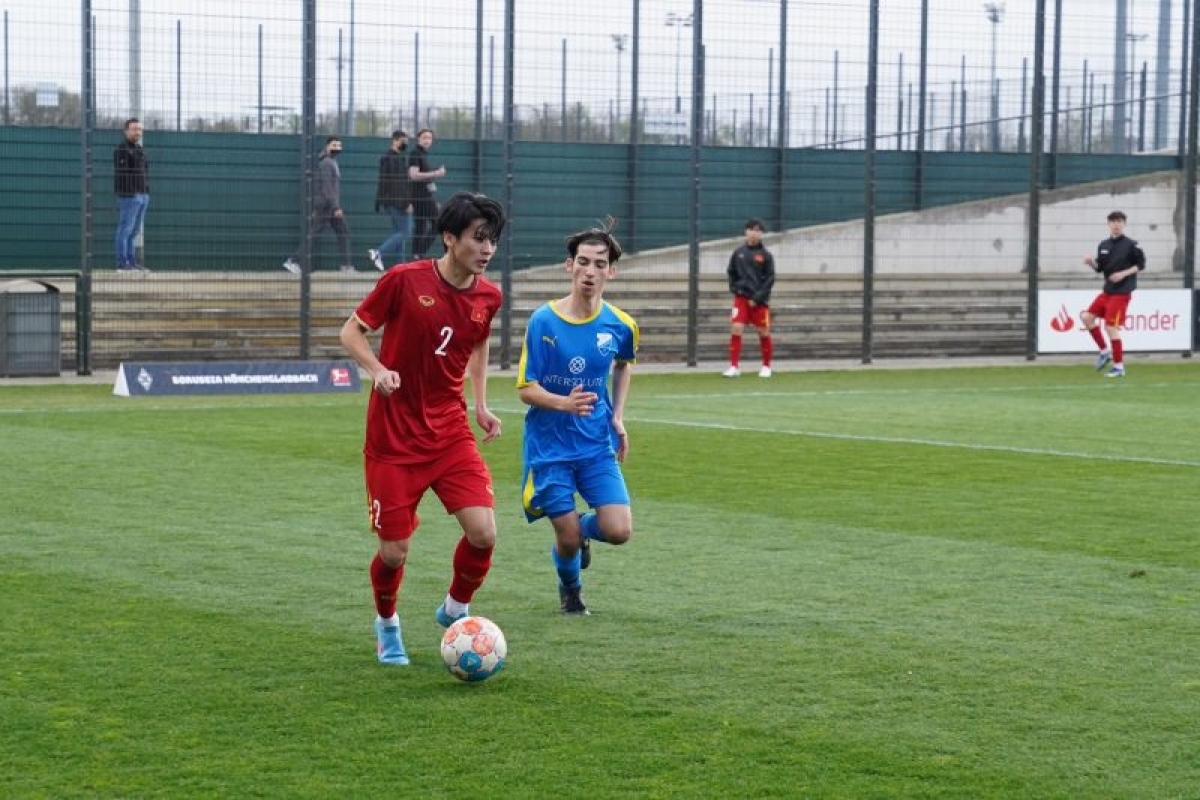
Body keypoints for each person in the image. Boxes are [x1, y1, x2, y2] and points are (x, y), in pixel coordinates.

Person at [339, 192, 506, 666]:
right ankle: (387, 624)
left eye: (492, 239)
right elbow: (350, 331)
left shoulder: (488, 295)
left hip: (449, 430)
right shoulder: (404, 280)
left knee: (484, 532)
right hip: (393, 437)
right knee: (394, 552)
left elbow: (477, 345)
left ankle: (455, 607)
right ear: (450, 238)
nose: (487, 248)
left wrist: (481, 404)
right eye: (478, 238)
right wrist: (377, 369)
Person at [517, 221, 639, 616]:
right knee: (565, 537)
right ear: (569, 266)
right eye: (583, 262)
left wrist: (617, 416)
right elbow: (525, 389)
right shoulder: (543, 322)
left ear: (611, 271)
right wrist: (562, 403)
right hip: (549, 446)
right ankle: (571, 590)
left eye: (599, 264)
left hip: (594, 444)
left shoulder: (621, 325)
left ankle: (582, 532)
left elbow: (623, 366)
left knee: (619, 531)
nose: (591, 271)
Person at [1081, 210, 1146, 379]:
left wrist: (1123, 274)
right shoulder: (1103, 245)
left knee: (1111, 327)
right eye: (1113, 221)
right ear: (1108, 224)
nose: (1116, 224)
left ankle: (1119, 367)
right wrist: (1091, 263)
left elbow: (1141, 265)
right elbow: (1100, 268)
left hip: (1122, 293)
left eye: (1119, 221)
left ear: (1124, 224)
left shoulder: (1132, 245)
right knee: (1087, 317)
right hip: (1108, 291)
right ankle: (1104, 351)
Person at [283, 136, 354, 274]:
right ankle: (293, 260)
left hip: (327, 205)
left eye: (339, 145)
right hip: (327, 206)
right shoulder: (327, 163)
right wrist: (336, 207)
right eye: (334, 145)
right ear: (327, 146)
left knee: (340, 232)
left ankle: (346, 265)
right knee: (317, 234)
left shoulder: (330, 162)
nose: (337, 148)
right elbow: (327, 188)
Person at [723, 218, 775, 378]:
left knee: (763, 331)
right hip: (741, 299)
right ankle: (734, 366)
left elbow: (770, 278)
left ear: (761, 234)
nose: (754, 233)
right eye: (752, 230)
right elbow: (731, 272)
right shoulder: (738, 253)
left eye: (758, 230)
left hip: (759, 301)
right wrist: (735, 289)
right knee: (736, 328)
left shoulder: (766, 255)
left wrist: (758, 297)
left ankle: (766, 366)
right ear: (746, 232)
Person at [368, 130, 412, 271]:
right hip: (398, 202)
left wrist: (379, 201)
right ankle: (378, 252)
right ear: (395, 140)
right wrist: (406, 203)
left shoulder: (386, 158)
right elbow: (398, 184)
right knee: (405, 232)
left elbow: (383, 182)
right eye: (403, 141)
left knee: (398, 233)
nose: (405, 144)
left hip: (389, 201)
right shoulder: (395, 159)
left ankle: (401, 267)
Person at [114, 118, 150, 272]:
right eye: (134, 129)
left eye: (140, 129)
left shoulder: (140, 150)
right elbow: (123, 174)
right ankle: (122, 263)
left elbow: (145, 172)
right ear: (126, 131)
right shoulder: (122, 150)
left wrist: (146, 192)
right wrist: (133, 193)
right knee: (125, 229)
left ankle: (132, 261)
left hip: (143, 195)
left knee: (134, 230)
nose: (137, 132)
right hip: (130, 196)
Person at [408, 128, 446, 259]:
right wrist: (436, 173)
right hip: (420, 197)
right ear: (418, 139)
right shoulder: (415, 154)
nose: (427, 140)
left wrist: (433, 197)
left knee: (420, 227)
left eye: (429, 138)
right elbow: (413, 175)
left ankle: (416, 256)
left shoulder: (423, 154)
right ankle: (419, 253)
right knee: (438, 223)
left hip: (425, 196)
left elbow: (427, 181)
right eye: (424, 137)